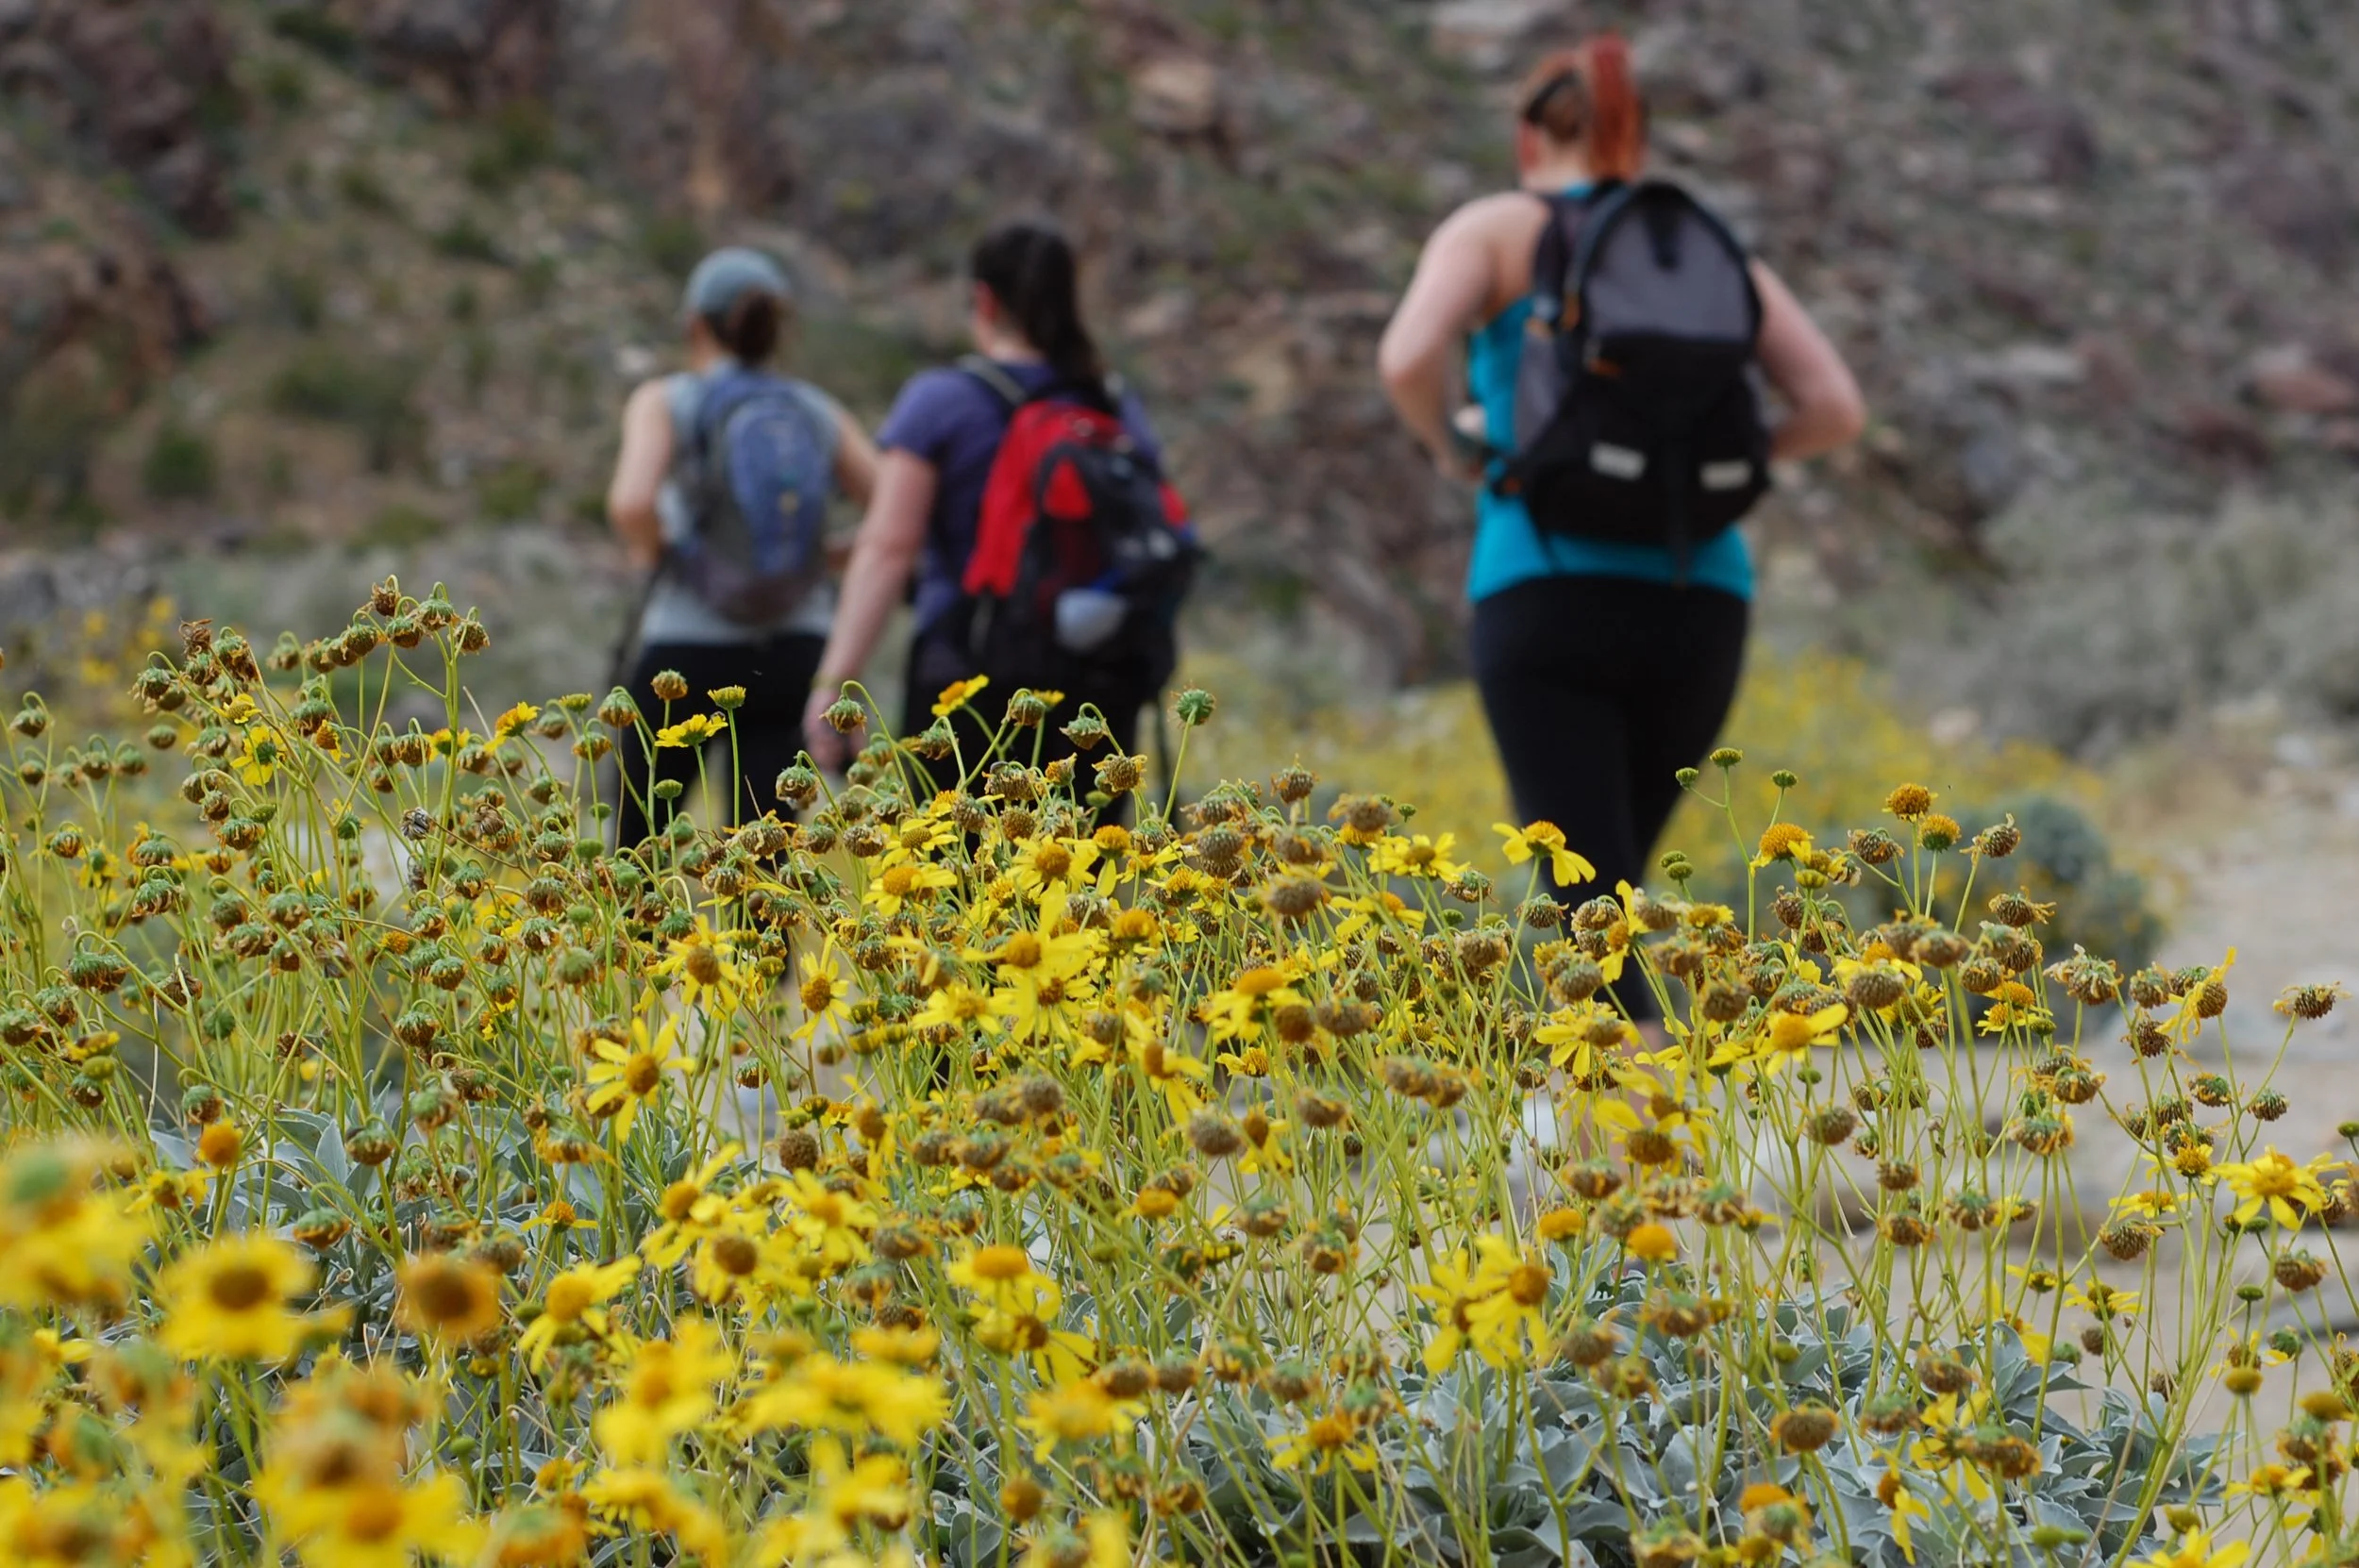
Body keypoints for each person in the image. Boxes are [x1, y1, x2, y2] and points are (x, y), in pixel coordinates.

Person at [1378, 35, 1865, 1013]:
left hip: (1544, 584)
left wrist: (1454, 447)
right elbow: (1835, 409)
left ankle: (1627, 1107)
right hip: (1699, 598)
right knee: (1611, 891)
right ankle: (1631, 1096)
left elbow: (1406, 359)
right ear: (1635, 136)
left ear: (1528, 137)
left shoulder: (1494, 230)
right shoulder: (1700, 245)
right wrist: (1717, 469)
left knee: (1588, 914)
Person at [799, 221, 1172, 796]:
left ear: (984, 300)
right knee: (1081, 850)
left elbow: (888, 548)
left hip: (966, 680)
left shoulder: (942, 399)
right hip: (1098, 682)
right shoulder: (1112, 400)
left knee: (951, 851)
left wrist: (836, 682)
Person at [606, 246, 877, 844]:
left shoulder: (667, 399)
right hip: (794, 651)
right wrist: (820, 559)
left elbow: (631, 503)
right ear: (778, 326)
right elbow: (889, 513)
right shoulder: (815, 409)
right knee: (766, 858)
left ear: (694, 325)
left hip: (684, 649)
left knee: (638, 852)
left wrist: (660, 553)